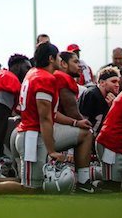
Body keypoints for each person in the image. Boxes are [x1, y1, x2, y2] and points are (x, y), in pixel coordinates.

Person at [12, 42, 100, 193]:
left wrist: (75, 123)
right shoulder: (45, 78)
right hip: (32, 136)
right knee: (30, 189)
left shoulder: (34, 73)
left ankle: (84, 183)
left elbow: (51, 114)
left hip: (31, 134)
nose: (61, 60)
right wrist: (51, 150)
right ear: (51, 58)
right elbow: (45, 117)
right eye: (58, 56)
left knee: (32, 185)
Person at [79, 67, 120, 135]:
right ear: (102, 82)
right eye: (113, 81)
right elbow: (84, 121)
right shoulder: (92, 94)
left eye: (118, 82)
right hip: (86, 135)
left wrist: (112, 108)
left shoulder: (111, 97)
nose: (117, 85)